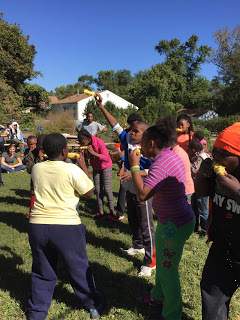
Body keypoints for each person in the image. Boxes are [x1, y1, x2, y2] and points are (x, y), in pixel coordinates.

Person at [27, 133, 105, 320]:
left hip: (38, 224)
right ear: (65, 151)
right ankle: (92, 305)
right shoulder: (71, 169)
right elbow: (89, 193)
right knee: (78, 266)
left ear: (43, 151)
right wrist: (83, 165)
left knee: (42, 269)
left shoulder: (37, 168)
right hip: (66, 226)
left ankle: (36, 312)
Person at [129, 119, 195, 320]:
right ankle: (157, 297)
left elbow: (142, 194)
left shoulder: (164, 161)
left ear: (152, 142)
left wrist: (133, 166)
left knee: (167, 270)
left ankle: (172, 314)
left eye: (143, 141)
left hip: (173, 225)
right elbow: (154, 179)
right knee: (165, 265)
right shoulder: (167, 157)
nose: (139, 146)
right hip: (171, 222)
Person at [95, 93, 156, 277]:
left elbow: (154, 170)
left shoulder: (151, 149)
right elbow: (114, 124)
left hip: (143, 187)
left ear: (145, 135)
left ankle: (150, 260)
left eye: (136, 131)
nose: (131, 132)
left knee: (146, 224)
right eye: (131, 129)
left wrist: (135, 171)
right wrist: (101, 107)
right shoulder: (127, 139)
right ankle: (137, 245)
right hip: (130, 185)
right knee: (134, 218)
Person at [197, 122, 240, 320]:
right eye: (215, 150)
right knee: (213, 296)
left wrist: (237, 192)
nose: (216, 157)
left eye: (224, 153)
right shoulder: (218, 172)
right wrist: (202, 176)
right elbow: (202, 193)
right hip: (223, 248)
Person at [77, 128, 116, 219]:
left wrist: (93, 153)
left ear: (87, 138)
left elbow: (106, 158)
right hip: (96, 167)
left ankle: (112, 212)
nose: (82, 144)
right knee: (98, 190)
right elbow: (86, 159)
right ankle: (100, 212)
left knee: (107, 189)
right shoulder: (86, 145)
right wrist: (84, 155)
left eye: (82, 142)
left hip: (106, 166)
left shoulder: (99, 142)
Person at [188, 139, 210, 233]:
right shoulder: (204, 155)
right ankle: (196, 227)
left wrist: (188, 164)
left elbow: (194, 171)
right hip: (200, 186)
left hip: (201, 187)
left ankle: (204, 230)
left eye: (190, 149)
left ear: (194, 149)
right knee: (197, 208)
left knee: (202, 209)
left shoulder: (201, 157)